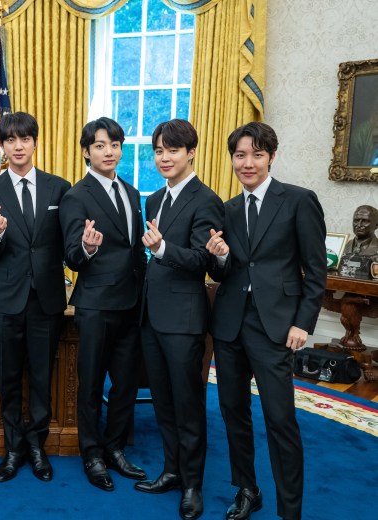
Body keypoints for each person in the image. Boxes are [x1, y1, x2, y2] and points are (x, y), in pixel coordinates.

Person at [206, 122, 326, 520]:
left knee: (280, 420)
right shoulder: (227, 209)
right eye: (240, 155)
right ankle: (247, 489)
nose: (248, 163)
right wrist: (219, 256)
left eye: (256, 154)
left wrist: (303, 324)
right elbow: (224, 272)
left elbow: (315, 271)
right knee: (233, 413)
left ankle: (290, 511)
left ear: (271, 157)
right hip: (229, 327)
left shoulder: (298, 200)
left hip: (276, 329)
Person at [0, 112, 71, 483]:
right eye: (10, 140)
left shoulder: (59, 189)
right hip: (6, 299)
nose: (18, 146)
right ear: (2, 145)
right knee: (9, 377)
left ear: (34, 142)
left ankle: (37, 446)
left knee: (43, 376)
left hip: (46, 297)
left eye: (24, 139)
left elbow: (67, 243)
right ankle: (14, 448)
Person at [135, 119, 223, 519]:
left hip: (185, 320)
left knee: (188, 406)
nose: (164, 157)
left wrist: (163, 248)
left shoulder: (206, 200)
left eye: (172, 150)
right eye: (158, 151)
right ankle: (171, 470)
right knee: (164, 404)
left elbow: (203, 260)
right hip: (151, 317)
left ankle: (192, 485)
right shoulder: (153, 200)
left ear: (191, 152)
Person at [59, 117, 147, 492]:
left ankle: (115, 447)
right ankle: (92, 453)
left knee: (126, 383)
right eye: (99, 145)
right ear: (86, 152)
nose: (108, 151)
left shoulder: (131, 192)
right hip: (95, 304)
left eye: (114, 144)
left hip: (133, 302)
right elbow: (71, 256)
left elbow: (136, 250)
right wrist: (88, 247)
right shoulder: (75, 196)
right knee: (92, 383)